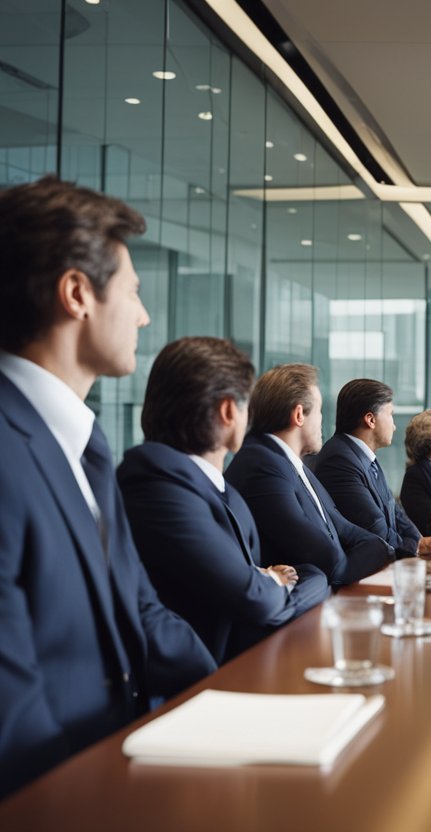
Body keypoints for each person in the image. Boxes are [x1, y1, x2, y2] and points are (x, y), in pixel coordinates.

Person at [0, 177, 214, 797]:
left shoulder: (81, 444)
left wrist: (225, 691)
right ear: (77, 294)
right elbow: (14, 720)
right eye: (133, 292)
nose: (144, 316)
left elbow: (138, 605)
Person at [117, 337, 328, 663]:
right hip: (203, 680)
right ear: (229, 411)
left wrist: (273, 581)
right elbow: (254, 599)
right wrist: (274, 581)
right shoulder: (156, 485)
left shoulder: (210, 484)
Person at [225, 364, 395, 586]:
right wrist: (380, 550)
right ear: (298, 415)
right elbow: (331, 563)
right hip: (294, 614)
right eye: (320, 410)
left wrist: (382, 548)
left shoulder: (294, 465)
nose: (322, 420)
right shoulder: (262, 465)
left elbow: (343, 528)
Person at [311, 378, 429, 557]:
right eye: (390, 414)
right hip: (362, 571)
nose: (395, 425)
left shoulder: (363, 455)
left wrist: (420, 542)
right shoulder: (339, 459)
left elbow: (395, 510)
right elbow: (375, 527)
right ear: (370, 420)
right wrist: (418, 547)